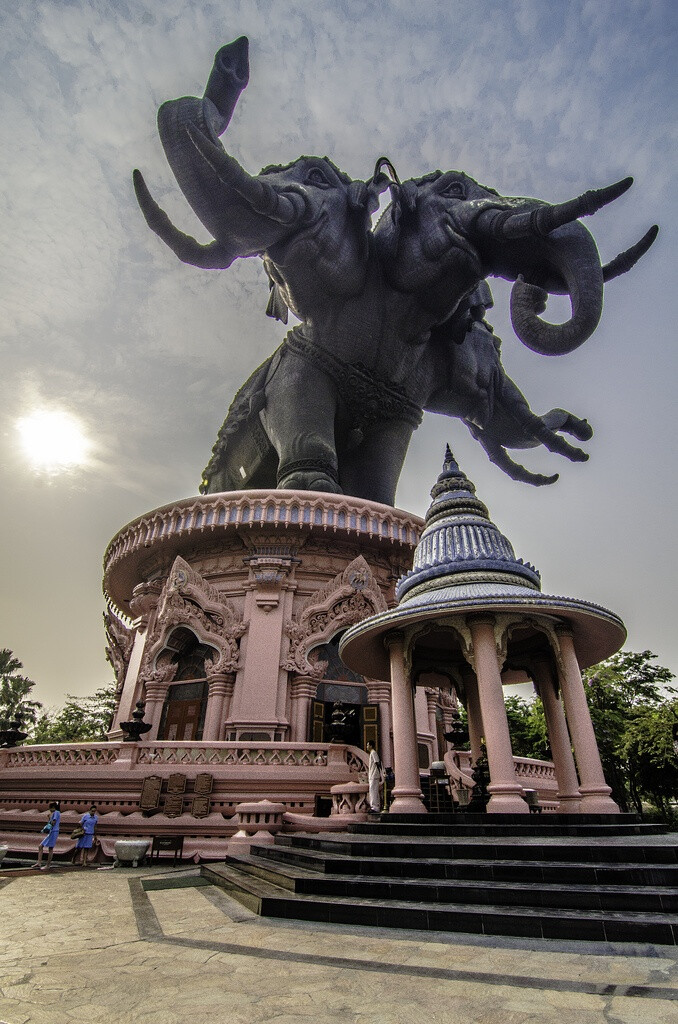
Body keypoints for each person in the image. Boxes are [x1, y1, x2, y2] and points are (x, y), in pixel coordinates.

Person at [32, 801, 61, 870]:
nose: (50, 810)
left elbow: (53, 823)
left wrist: (50, 818)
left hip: (54, 831)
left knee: (50, 848)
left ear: (53, 808)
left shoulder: (56, 813)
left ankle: (48, 865)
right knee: (40, 846)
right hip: (52, 832)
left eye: (50, 808)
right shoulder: (54, 813)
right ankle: (39, 863)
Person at [366, 741, 384, 814]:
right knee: (373, 791)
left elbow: (377, 763)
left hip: (374, 775)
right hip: (372, 775)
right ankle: (375, 806)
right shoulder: (372, 753)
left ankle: (374, 807)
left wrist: (381, 773)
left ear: (371, 746)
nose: (367, 746)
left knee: (373, 791)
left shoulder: (373, 752)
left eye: (368, 745)